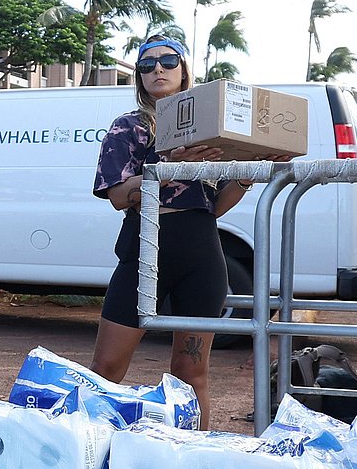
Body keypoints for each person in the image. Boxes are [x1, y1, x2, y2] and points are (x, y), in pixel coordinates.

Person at [89, 35, 257, 428]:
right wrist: (169, 166)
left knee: (191, 373)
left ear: (184, 71)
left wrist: (247, 175)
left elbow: (213, 205)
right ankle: (89, 451)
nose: (157, 69)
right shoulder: (128, 127)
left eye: (167, 61)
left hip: (201, 252)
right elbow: (118, 195)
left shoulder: (208, 130)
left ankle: (194, 460)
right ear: (138, 77)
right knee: (106, 367)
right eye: (146, 65)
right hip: (147, 248)